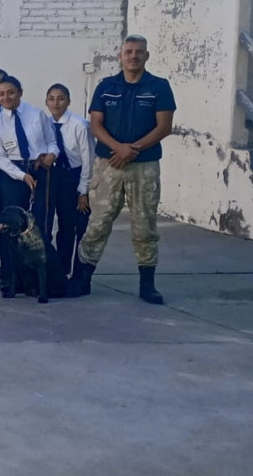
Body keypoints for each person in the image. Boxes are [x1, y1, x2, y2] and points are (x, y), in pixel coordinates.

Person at [73, 35, 175, 304]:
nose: (133, 56)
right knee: (97, 223)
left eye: (139, 52)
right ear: (120, 56)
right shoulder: (106, 86)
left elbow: (164, 127)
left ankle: (147, 284)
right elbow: (96, 125)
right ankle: (82, 279)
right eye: (128, 52)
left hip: (144, 166)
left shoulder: (159, 87)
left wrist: (132, 150)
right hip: (108, 165)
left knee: (144, 226)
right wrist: (118, 148)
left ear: (147, 56)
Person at [0, 75, 58, 298]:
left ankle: (43, 280)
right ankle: (10, 278)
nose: (6, 97)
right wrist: (21, 176)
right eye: (1, 94)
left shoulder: (37, 114)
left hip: (40, 168)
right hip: (12, 174)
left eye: (10, 92)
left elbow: (52, 142)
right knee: (10, 228)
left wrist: (51, 156)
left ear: (20, 92)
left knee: (41, 223)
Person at [44, 84, 93, 280]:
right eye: (51, 98)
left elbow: (89, 159)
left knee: (74, 226)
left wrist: (83, 191)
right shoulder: (45, 123)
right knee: (56, 225)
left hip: (75, 176)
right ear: (47, 102)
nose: (56, 103)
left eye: (61, 98)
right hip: (55, 177)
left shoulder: (80, 125)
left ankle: (75, 273)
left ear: (69, 101)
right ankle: (57, 270)